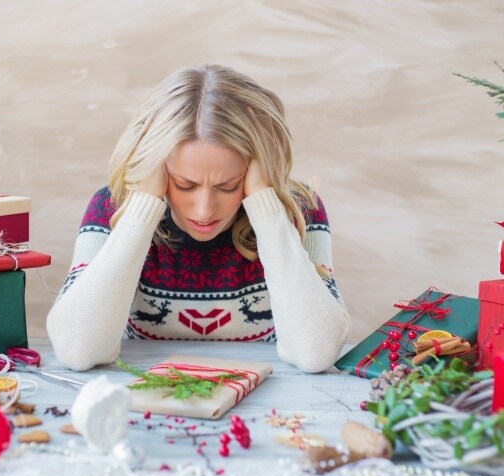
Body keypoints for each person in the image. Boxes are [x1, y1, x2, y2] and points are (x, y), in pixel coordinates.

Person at [47, 64, 351, 372]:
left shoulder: (300, 210)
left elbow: (316, 352)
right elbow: (77, 349)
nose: (204, 210)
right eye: (185, 185)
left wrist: (266, 205)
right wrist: (142, 209)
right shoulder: (111, 208)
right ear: (159, 167)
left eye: (228, 186)